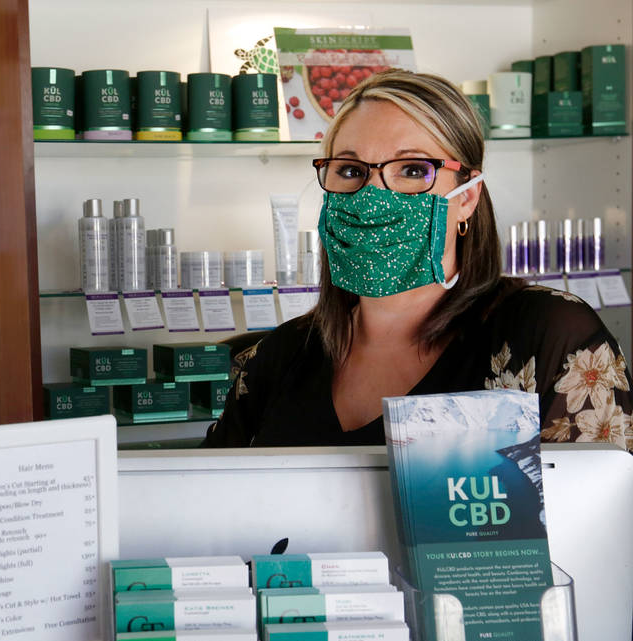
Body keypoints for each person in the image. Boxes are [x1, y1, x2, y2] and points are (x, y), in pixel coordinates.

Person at [203, 70, 631, 451]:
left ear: (466, 197)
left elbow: (597, 520)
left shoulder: (548, 335)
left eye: (411, 170)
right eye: (350, 171)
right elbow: (209, 510)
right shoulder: (275, 358)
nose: (373, 197)